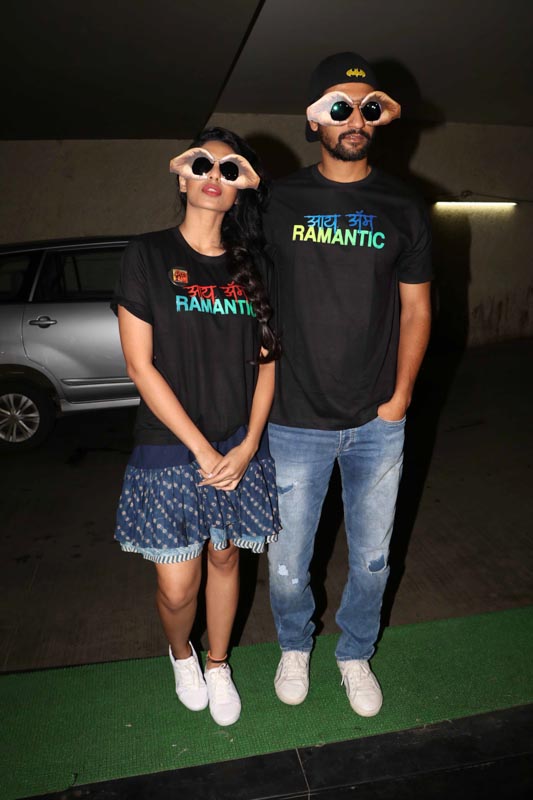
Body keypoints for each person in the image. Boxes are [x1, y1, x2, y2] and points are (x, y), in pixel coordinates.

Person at [264, 52, 432, 716]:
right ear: (313, 120)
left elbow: (416, 308)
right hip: (292, 418)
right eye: (338, 107)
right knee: (286, 565)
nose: (354, 119)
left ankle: (355, 651)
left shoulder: (403, 205)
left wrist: (400, 396)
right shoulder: (276, 201)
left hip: (375, 421)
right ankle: (294, 644)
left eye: (368, 107)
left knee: (372, 560)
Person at [113, 127, 281, 727]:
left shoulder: (255, 265)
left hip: (237, 444)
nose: (215, 175)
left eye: (231, 170)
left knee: (226, 559)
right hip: (170, 444)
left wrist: (250, 444)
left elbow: (268, 363)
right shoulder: (147, 255)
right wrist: (203, 450)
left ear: (240, 190)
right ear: (182, 176)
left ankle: (217, 662)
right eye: (203, 164)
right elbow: (140, 366)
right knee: (177, 586)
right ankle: (181, 653)